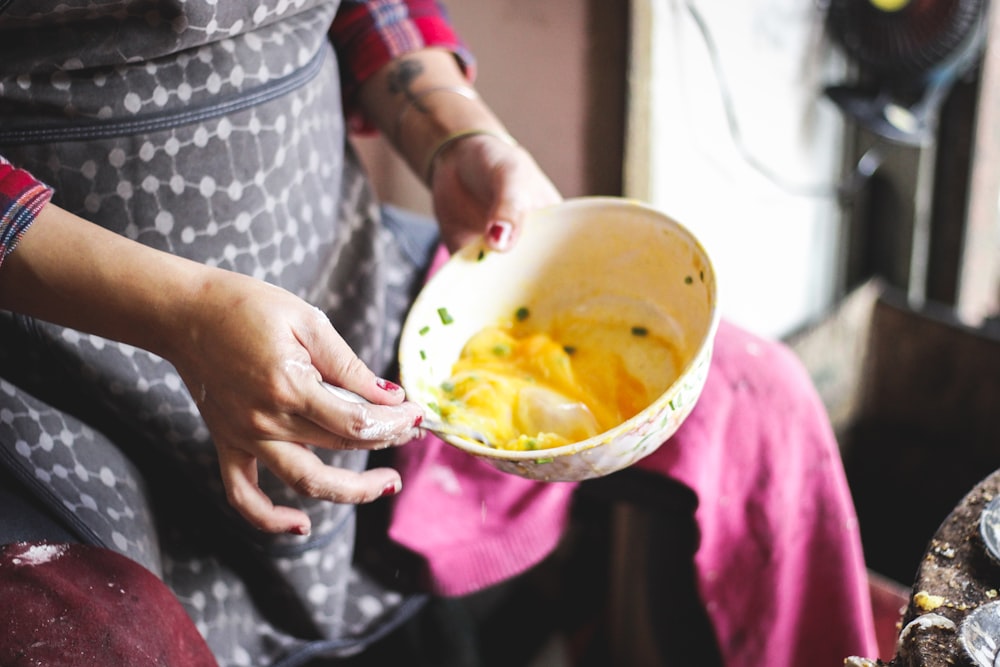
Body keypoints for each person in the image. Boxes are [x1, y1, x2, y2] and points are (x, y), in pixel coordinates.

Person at [0, 2, 879, 666]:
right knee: (93, 635)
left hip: (345, 277)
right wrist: (185, 316)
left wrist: (455, 134)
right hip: (46, 365)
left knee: (757, 396)